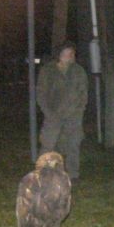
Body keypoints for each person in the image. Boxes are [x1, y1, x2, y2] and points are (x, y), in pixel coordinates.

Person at [36, 41, 88, 182]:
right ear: (59, 54)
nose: (69, 56)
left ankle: (73, 174)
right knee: (48, 144)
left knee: (73, 144)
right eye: (66, 53)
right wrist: (48, 112)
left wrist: (79, 110)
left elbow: (83, 93)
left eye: (71, 53)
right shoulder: (48, 70)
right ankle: (43, 174)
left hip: (73, 115)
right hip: (53, 114)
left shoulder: (78, 71)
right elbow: (41, 93)